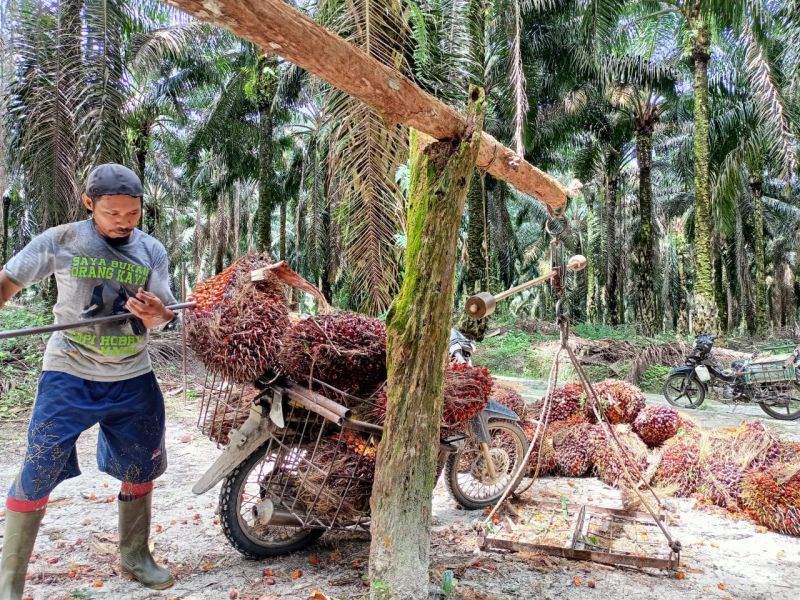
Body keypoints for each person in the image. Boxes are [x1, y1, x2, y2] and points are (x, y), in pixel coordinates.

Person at [0, 164, 177, 598]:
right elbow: (8, 281)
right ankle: (9, 584)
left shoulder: (151, 250)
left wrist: (160, 316)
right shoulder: (62, 240)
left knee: (140, 466)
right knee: (38, 469)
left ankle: (135, 555)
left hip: (133, 378)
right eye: (113, 212)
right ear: (89, 204)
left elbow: (169, 314)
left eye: (132, 214)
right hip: (68, 375)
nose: (123, 222)